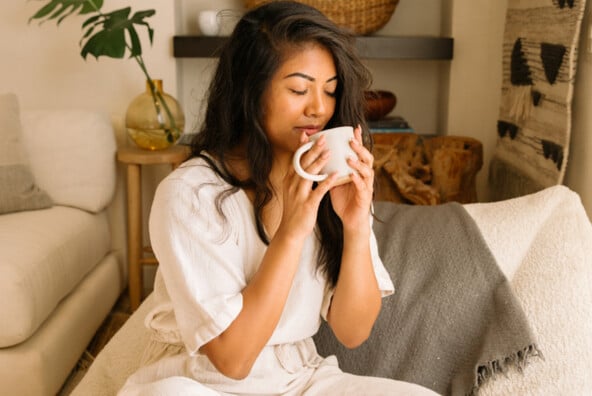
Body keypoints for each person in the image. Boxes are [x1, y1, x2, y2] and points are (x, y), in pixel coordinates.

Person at [118, 1, 439, 395]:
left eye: (330, 91)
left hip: (300, 378)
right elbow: (233, 359)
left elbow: (353, 332)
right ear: (250, 91)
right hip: (202, 381)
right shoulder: (189, 194)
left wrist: (355, 225)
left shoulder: (329, 180)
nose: (319, 108)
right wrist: (291, 231)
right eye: (299, 89)